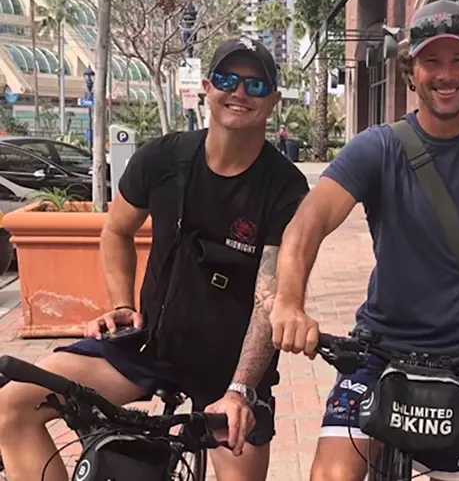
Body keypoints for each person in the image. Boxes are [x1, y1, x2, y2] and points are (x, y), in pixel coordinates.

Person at [269, 0, 459, 481]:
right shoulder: (379, 146)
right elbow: (308, 221)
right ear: (411, 72)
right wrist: (288, 301)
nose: (445, 74)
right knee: (332, 476)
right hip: (379, 351)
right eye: (431, 61)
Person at [0, 37, 310, 481]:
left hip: (230, 370)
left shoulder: (285, 187)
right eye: (227, 79)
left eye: (255, 85)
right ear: (208, 86)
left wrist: (241, 389)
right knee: (12, 403)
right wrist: (122, 304)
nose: (239, 93)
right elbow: (116, 231)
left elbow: (270, 298)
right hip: (151, 348)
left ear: (273, 101)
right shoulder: (163, 158)